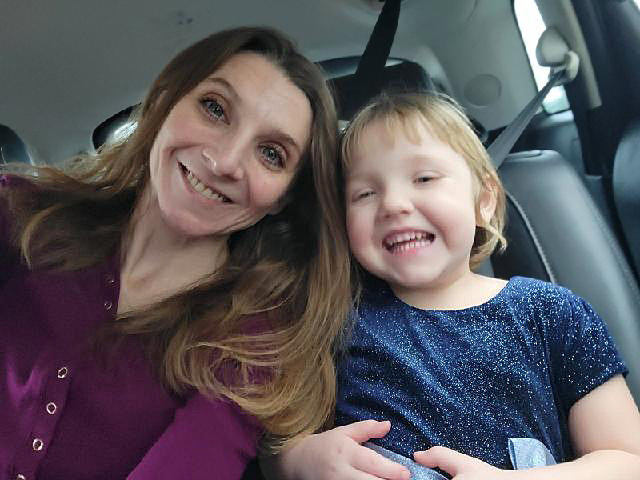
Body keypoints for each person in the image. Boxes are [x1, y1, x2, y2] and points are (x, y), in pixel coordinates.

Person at [0, 27, 353, 479]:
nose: (225, 161)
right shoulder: (24, 214)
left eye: (270, 153)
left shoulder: (254, 348)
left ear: (282, 200)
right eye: (215, 109)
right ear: (164, 100)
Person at [271, 91, 640, 479]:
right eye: (365, 193)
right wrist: (300, 460)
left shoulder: (551, 313)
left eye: (424, 178)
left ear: (484, 199)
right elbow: (273, 444)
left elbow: (627, 460)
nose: (394, 204)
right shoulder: (332, 321)